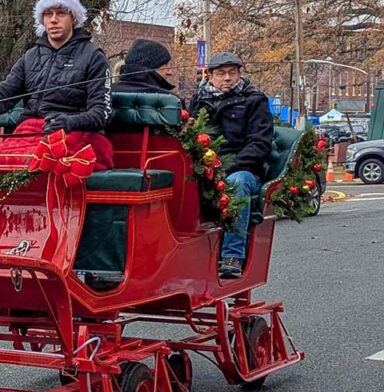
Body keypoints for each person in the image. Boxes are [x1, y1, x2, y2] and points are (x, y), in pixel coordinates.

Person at [0, 0, 113, 169]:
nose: (54, 20)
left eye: (61, 13)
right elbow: (5, 94)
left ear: (73, 17)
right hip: (29, 131)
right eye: (48, 14)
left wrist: (69, 122)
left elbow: (102, 112)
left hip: (75, 132)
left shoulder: (93, 57)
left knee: (38, 161)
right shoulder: (30, 57)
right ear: (42, 19)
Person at [188, 52, 275, 279]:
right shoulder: (199, 101)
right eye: (221, 73)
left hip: (243, 169)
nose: (227, 78)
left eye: (232, 73)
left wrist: (229, 167)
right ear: (210, 76)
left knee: (236, 184)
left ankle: (232, 256)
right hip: (206, 166)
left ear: (239, 74)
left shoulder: (254, 101)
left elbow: (260, 143)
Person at [111, 39, 177, 96]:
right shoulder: (173, 101)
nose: (170, 72)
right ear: (152, 66)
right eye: (166, 65)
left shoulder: (105, 95)